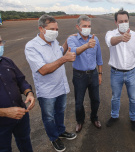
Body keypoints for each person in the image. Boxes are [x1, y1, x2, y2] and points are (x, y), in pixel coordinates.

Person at [25, 15, 76, 152]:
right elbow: (43, 70)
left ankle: (61, 131)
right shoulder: (31, 47)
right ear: (41, 29)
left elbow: (60, 52)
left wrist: (66, 42)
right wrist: (64, 59)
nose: (55, 31)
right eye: (52, 29)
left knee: (60, 112)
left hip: (60, 86)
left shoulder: (53, 42)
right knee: (48, 116)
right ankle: (54, 138)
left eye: (57, 29)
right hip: (47, 91)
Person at [105, 8, 135, 131]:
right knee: (115, 97)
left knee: (133, 98)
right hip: (116, 72)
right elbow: (110, 42)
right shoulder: (110, 34)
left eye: (126, 20)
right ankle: (114, 116)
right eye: (120, 21)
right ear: (116, 22)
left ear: (129, 21)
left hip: (132, 72)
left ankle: (133, 118)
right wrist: (121, 38)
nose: (123, 23)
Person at [67, 15, 103, 133]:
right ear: (78, 27)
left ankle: (94, 118)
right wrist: (87, 45)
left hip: (93, 74)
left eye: (89, 26)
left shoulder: (95, 39)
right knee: (79, 102)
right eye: (84, 26)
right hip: (79, 75)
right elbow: (73, 52)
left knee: (96, 100)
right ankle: (80, 121)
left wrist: (100, 73)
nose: (87, 28)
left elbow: (99, 57)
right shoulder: (72, 39)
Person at [0, 35, 35, 152]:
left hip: (21, 115)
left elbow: (21, 80)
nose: (0, 45)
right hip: (2, 123)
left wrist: (29, 93)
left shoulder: (7, 62)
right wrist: (5, 112)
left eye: (0, 42)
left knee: (25, 141)